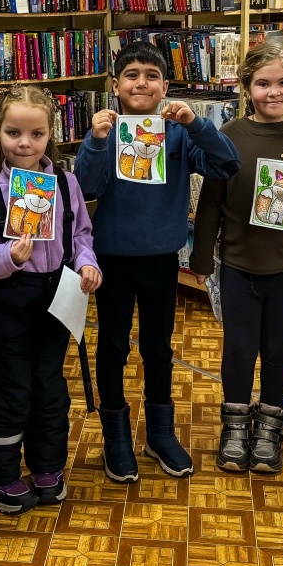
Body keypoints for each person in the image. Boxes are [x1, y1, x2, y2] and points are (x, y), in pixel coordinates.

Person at [75, 40, 240, 482]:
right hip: (112, 258)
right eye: (131, 75)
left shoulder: (179, 132)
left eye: (152, 76)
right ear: (115, 86)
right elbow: (84, 187)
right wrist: (96, 140)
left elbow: (227, 165)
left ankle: (160, 434)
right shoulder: (105, 133)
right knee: (112, 348)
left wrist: (196, 123)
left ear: (165, 87)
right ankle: (116, 438)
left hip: (162, 258)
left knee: (158, 348)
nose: (141, 83)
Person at [190, 43, 283, 473]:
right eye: (263, 84)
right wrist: (202, 259)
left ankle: (270, 426)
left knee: (278, 349)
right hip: (238, 265)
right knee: (238, 349)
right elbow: (211, 204)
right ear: (246, 88)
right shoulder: (229, 136)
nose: (274, 92)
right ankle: (235, 425)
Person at [0, 85, 101, 513]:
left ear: (49, 135)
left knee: (49, 387)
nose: (24, 143)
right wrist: (9, 258)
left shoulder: (66, 182)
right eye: (13, 133)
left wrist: (87, 264)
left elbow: (81, 234)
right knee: (9, 391)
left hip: (56, 298)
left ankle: (48, 466)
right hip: (6, 302)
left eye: (36, 134)